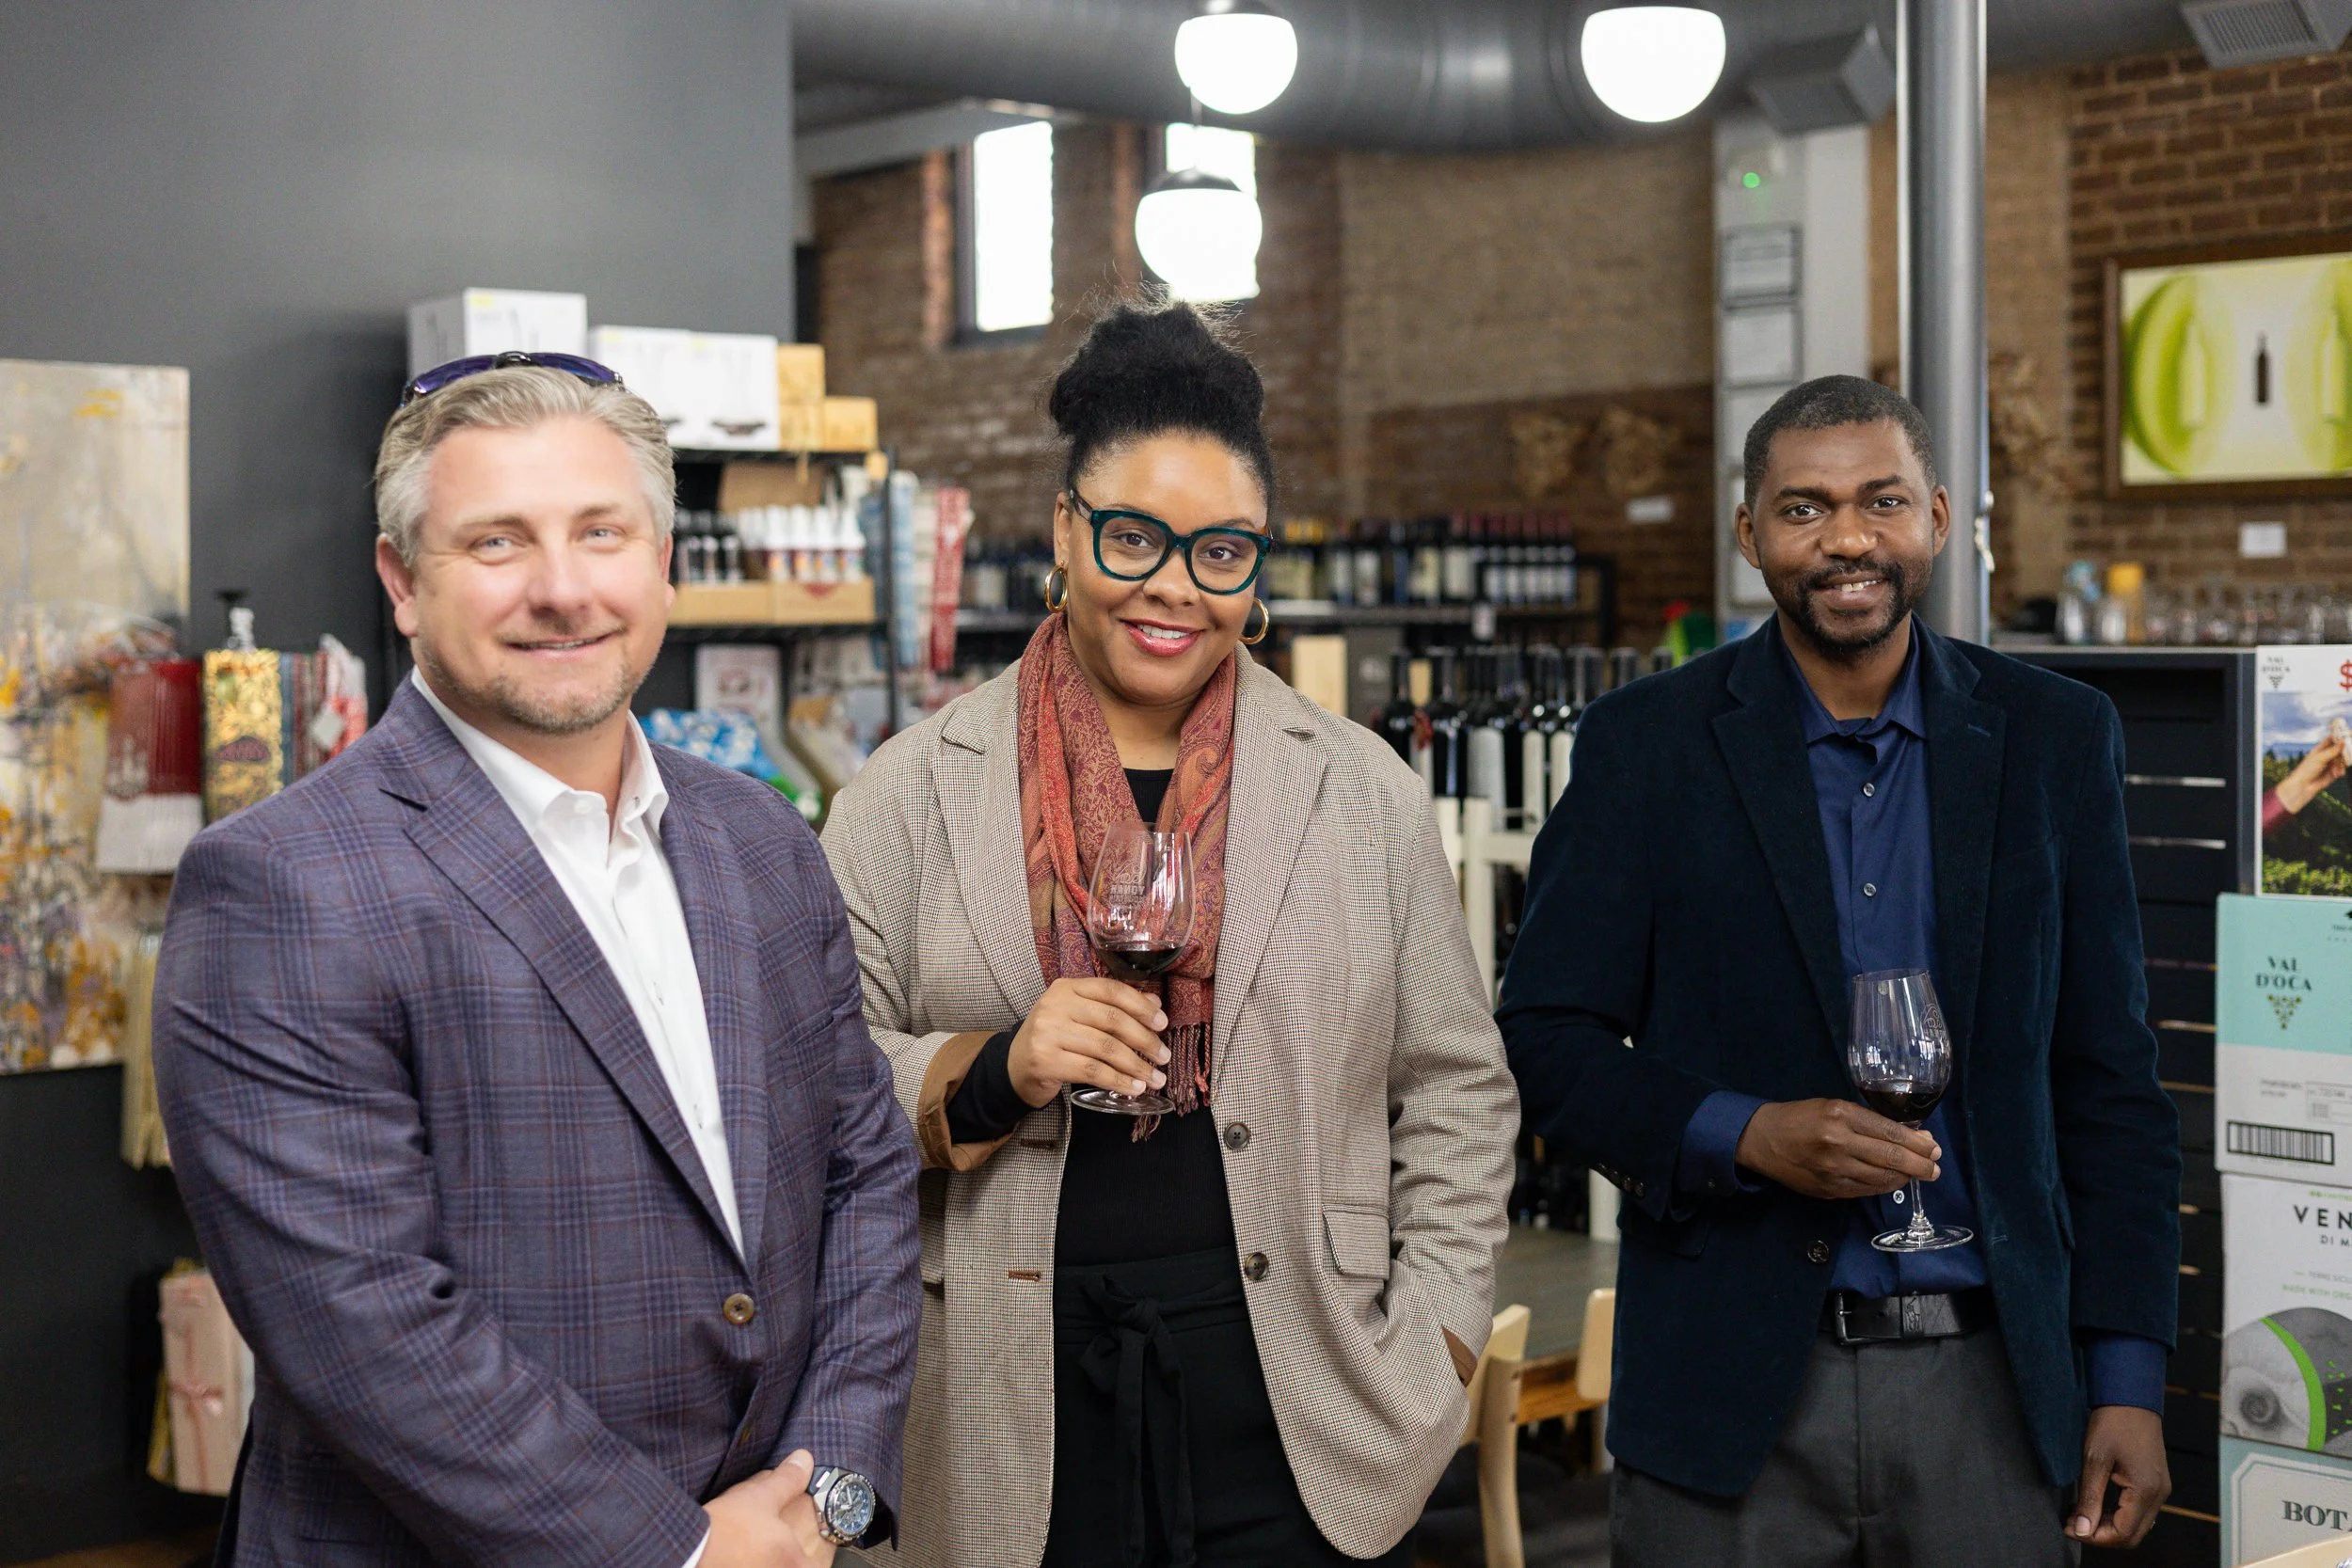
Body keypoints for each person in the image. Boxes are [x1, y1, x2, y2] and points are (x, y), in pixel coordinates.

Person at [153, 357, 920, 1568]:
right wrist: (679, 1550)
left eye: (601, 531)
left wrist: (822, 1487)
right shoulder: (283, 881)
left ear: (663, 558)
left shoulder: (763, 838)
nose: (564, 590)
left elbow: (865, 1171)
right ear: (403, 581)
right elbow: (363, 1323)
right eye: (497, 542)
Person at [818, 301, 1517, 1568]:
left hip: (1307, 1399)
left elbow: (1458, 1090)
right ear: (1067, 532)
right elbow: (810, 1091)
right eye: (1136, 536)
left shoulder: (1358, 790)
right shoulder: (907, 790)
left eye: (1222, 551)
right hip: (1000, 1400)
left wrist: (1437, 1348)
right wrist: (994, 1066)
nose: (1174, 587)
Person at [1501, 375, 2181, 1565]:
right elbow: (1542, 1040)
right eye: (1805, 508)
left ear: (1937, 515)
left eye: (1880, 501)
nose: (1848, 537)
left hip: (1994, 1391)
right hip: (1729, 1395)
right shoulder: (1645, 745)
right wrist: (1742, 1131)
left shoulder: (2055, 737)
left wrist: (2125, 1371)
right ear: (1749, 532)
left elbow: (2109, 1077)